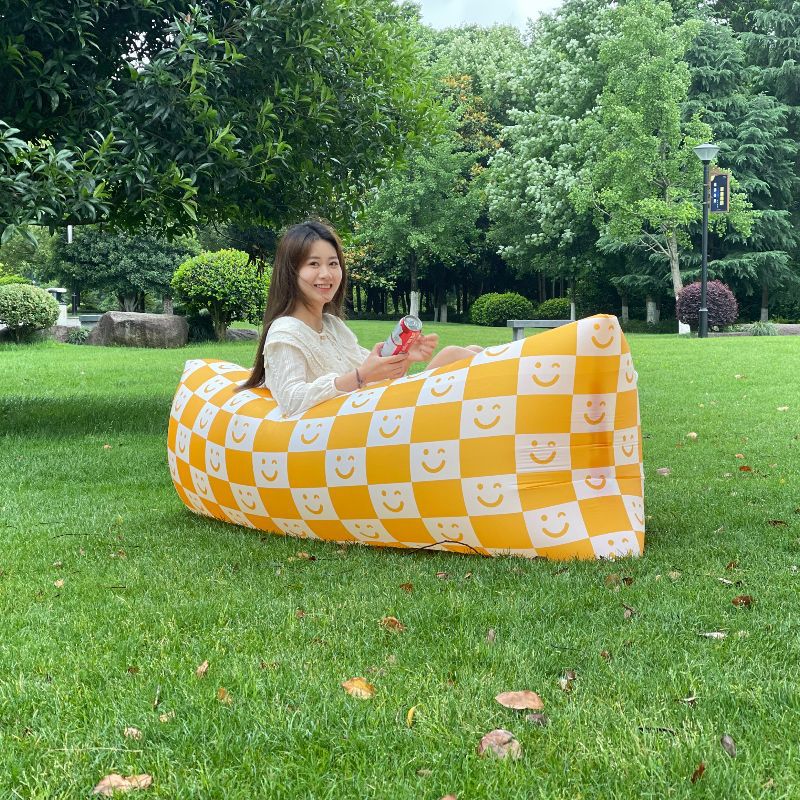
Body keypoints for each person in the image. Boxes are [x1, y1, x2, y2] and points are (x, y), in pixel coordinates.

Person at [237, 220, 483, 417]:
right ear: (291, 272)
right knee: (454, 355)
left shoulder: (333, 325)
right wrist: (359, 377)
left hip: (374, 412)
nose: (326, 274)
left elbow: (374, 373)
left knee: (470, 351)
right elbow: (291, 400)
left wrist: (405, 356)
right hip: (354, 430)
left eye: (333, 264)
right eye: (314, 264)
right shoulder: (285, 331)